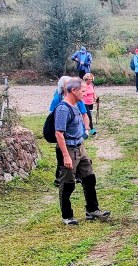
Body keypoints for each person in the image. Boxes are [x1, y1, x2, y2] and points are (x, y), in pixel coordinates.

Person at [53, 77, 110, 225]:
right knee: (68, 183)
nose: (85, 93)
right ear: (73, 90)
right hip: (69, 150)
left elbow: (83, 119)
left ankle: (92, 209)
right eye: (82, 91)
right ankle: (67, 216)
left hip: (80, 147)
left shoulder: (77, 105)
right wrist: (66, 156)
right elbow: (58, 134)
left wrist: (85, 131)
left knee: (89, 178)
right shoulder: (63, 109)